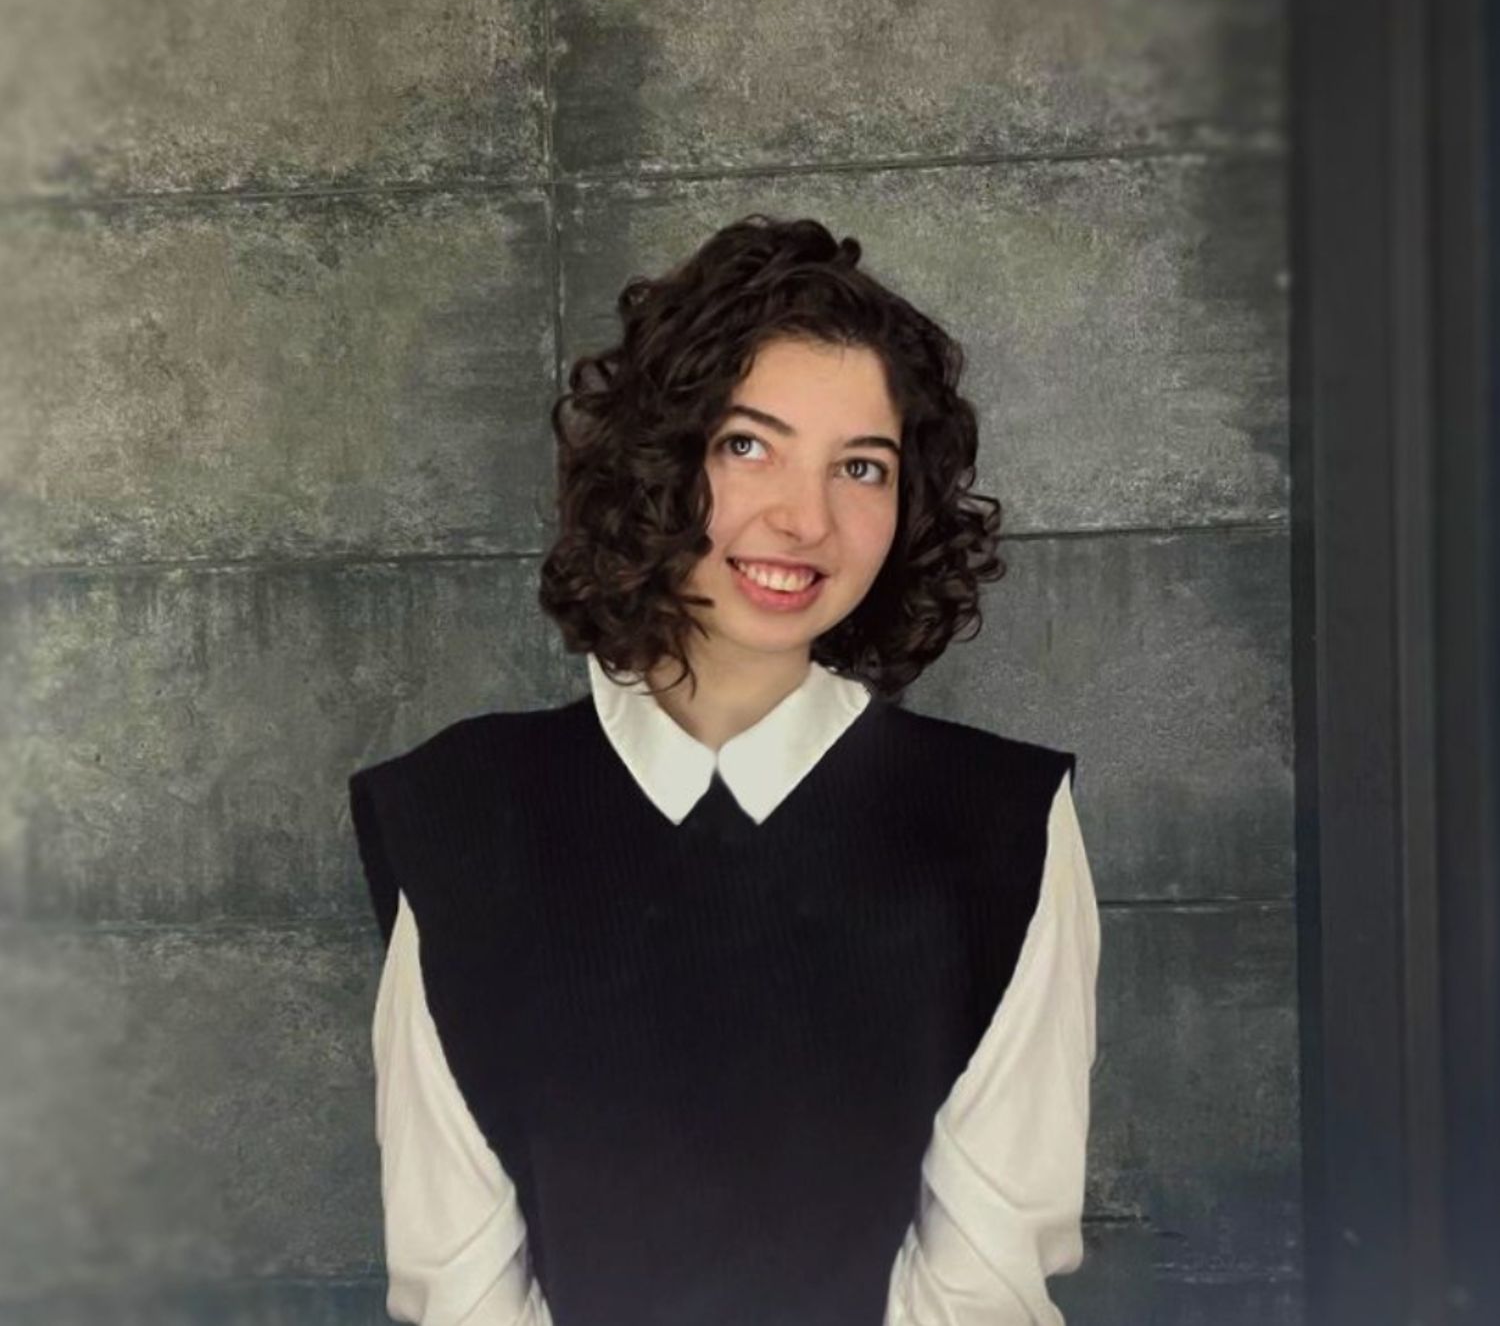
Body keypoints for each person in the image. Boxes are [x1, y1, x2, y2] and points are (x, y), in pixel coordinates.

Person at [349, 214, 1101, 1326]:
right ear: (657, 459)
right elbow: (458, 1287)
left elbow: (986, 1287)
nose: (805, 520)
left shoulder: (1002, 825)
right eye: (749, 446)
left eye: (861, 467)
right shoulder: (459, 813)